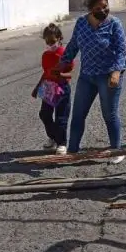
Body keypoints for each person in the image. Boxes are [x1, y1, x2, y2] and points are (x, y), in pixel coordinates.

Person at [57, 0, 126, 164]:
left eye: (105, 7)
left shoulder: (114, 24)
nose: (103, 11)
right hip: (87, 76)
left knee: (109, 115)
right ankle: (73, 151)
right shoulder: (81, 23)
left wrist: (116, 72)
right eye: (98, 8)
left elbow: (121, 51)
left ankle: (116, 150)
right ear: (90, 9)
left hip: (108, 77)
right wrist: (62, 63)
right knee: (78, 114)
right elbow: (73, 45)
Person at [32, 23, 73, 155]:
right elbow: (46, 72)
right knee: (44, 114)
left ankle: (62, 144)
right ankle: (54, 137)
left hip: (61, 88)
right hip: (49, 88)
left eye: (53, 41)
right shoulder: (46, 55)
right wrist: (38, 86)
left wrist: (61, 75)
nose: (50, 44)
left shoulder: (64, 54)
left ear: (59, 38)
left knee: (61, 117)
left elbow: (70, 74)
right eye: (47, 41)